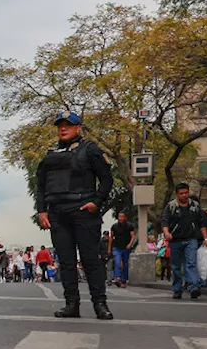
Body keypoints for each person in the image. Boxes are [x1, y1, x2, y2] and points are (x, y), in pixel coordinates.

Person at [34, 110, 114, 320]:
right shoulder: (51, 154)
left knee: (90, 261)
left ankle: (100, 305)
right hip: (58, 214)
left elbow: (106, 179)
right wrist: (41, 211)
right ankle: (72, 304)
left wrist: (96, 202)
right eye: (60, 125)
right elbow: (40, 186)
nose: (63, 128)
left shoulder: (90, 150)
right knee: (66, 262)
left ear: (78, 128)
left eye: (68, 125)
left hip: (83, 211)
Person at [162, 183, 207, 299]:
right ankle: (177, 288)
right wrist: (167, 233)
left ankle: (194, 287)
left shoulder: (195, 206)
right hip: (175, 240)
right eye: (181, 193)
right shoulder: (171, 206)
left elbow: (202, 223)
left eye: (186, 193)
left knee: (191, 264)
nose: (184, 195)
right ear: (177, 194)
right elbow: (165, 221)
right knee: (176, 266)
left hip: (191, 239)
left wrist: (205, 238)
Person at [110, 212, 135, 287]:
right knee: (117, 262)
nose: (121, 218)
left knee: (125, 264)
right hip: (117, 247)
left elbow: (133, 236)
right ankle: (117, 278)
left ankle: (123, 279)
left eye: (122, 217)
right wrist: (109, 248)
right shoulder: (114, 226)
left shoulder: (130, 226)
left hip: (126, 247)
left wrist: (130, 244)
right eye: (119, 216)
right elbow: (111, 237)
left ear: (125, 217)